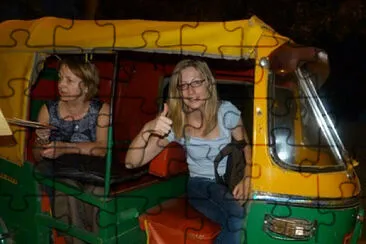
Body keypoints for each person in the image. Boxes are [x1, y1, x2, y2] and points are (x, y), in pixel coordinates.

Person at [125, 59, 252, 244]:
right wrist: (148, 128)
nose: (190, 91)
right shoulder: (176, 124)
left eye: (196, 83)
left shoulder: (227, 112)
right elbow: (132, 162)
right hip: (200, 186)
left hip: (230, 181)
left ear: (208, 83)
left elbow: (246, 148)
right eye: (183, 86)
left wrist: (247, 178)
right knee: (237, 217)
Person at [32, 56, 110, 244]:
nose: (61, 85)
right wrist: (41, 141)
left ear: (85, 86)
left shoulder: (102, 110)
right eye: (60, 78)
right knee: (68, 187)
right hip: (57, 170)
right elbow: (37, 156)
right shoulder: (47, 110)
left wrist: (65, 147)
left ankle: (99, 239)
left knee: (98, 191)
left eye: (69, 80)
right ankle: (76, 240)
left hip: (90, 169)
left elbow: (102, 149)